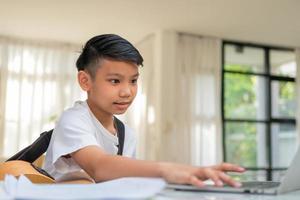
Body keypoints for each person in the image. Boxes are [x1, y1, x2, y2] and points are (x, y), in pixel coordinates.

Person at [43, 34, 245, 187]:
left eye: (133, 80)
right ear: (85, 81)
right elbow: (100, 167)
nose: (127, 91)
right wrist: (168, 170)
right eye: (115, 81)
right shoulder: (74, 119)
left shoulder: (126, 134)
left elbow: (121, 181)